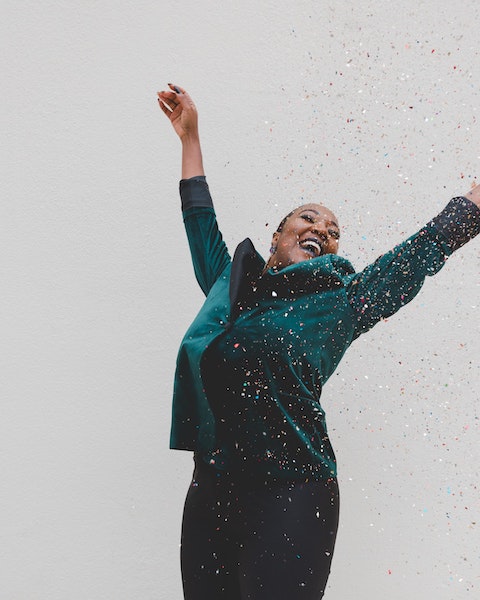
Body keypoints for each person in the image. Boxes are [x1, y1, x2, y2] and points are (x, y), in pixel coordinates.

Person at [157, 83, 480, 600]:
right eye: (309, 218)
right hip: (212, 489)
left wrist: (474, 201)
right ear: (277, 236)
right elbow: (200, 222)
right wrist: (189, 138)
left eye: (333, 230)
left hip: (292, 494)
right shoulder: (228, 285)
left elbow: (415, 256)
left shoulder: (341, 304)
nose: (323, 230)